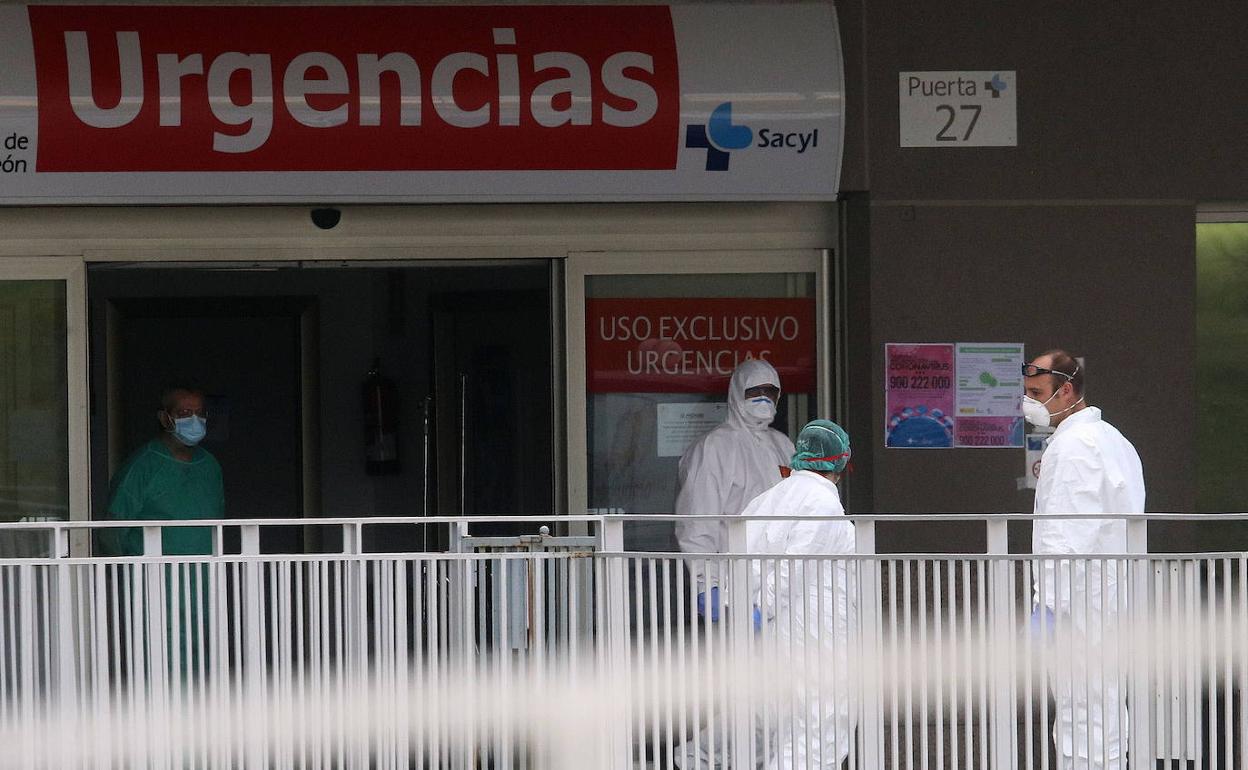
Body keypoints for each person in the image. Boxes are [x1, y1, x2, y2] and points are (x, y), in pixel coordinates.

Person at [1024, 350, 1144, 770]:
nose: (1030, 403)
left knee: (1079, 707)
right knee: (1106, 703)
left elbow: (1062, 538)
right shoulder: (1114, 440)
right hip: (1111, 594)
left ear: (1067, 390)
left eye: (1037, 392)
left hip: (1079, 600)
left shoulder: (1072, 448)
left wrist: (1047, 607)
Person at [746, 420, 857, 770]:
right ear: (840, 462)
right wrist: (765, 606)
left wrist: (754, 612)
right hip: (816, 632)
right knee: (821, 725)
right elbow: (794, 567)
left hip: (777, 635)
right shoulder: (822, 504)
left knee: (787, 728)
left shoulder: (766, 499)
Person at [675, 359, 795, 620]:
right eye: (754, 392)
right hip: (734, 580)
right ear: (737, 393)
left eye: (770, 392)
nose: (763, 399)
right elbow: (697, 522)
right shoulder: (715, 447)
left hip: (783, 584)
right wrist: (707, 585)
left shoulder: (783, 445)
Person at [97, 386, 224, 556]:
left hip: (203, 576)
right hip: (151, 577)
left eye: (200, 413)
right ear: (165, 418)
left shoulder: (209, 465)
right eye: (185, 413)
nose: (194, 420)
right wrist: (120, 576)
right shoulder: (143, 465)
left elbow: (218, 522)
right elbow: (112, 533)